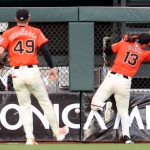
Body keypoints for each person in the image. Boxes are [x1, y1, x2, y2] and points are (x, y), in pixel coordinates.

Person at [0, 8, 69, 144]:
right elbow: (44, 50)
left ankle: (29, 138)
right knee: (45, 102)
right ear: (28, 18)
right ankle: (57, 132)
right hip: (32, 71)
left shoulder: (8, 33)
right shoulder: (35, 31)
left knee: (25, 106)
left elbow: (0, 51)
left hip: (17, 73)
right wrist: (51, 67)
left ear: (16, 19)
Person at [90, 33, 150, 144]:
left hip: (112, 77)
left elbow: (107, 50)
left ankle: (106, 106)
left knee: (94, 105)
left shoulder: (124, 44)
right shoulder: (144, 53)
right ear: (146, 44)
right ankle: (127, 138)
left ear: (137, 39)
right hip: (124, 83)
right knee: (123, 111)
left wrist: (127, 39)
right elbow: (143, 46)